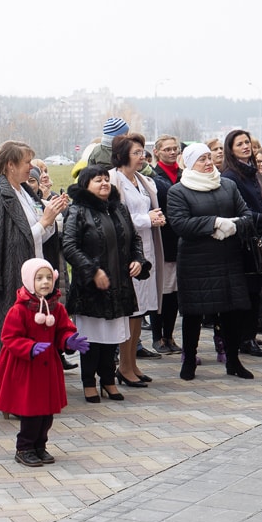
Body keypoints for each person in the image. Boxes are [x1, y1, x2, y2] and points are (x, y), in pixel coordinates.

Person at [166, 143, 255, 381]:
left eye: (209, 157)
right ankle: (189, 362)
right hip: (196, 261)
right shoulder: (179, 191)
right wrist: (215, 223)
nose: (208, 163)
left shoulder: (227, 185)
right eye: (201, 159)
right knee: (193, 314)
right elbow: (180, 224)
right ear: (190, 163)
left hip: (228, 258)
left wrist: (231, 227)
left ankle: (234, 361)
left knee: (231, 312)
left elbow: (247, 216)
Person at [0, 142, 66, 383]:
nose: (31, 167)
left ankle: (31, 389)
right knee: (18, 340)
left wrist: (51, 219)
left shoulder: (26, 192)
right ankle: (15, 394)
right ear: (10, 165)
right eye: (27, 162)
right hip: (12, 275)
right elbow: (0, 242)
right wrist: (44, 221)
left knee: (34, 335)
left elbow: (37, 234)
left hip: (34, 274)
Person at [0, 258, 88, 465]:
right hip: (26, 369)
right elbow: (9, 338)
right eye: (39, 278)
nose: (45, 282)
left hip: (48, 368)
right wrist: (30, 347)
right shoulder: (19, 310)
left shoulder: (57, 309)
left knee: (47, 412)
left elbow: (63, 330)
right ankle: (24, 447)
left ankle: (40, 445)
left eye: (48, 278)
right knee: (31, 412)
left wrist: (69, 340)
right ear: (28, 280)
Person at [63, 166, 148, 401]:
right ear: (85, 185)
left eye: (106, 179)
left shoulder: (118, 208)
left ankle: (108, 380)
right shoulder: (78, 210)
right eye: (97, 180)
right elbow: (69, 246)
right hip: (91, 289)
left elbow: (134, 239)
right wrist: (92, 271)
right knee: (92, 338)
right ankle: (89, 382)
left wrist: (138, 260)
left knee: (112, 337)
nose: (104, 184)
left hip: (118, 285)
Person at [110, 135, 168, 384]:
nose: (142, 156)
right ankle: (123, 365)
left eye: (143, 152)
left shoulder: (142, 180)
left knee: (141, 309)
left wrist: (154, 218)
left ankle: (132, 363)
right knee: (130, 310)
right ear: (123, 155)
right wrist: (148, 219)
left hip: (146, 248)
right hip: (127, 253)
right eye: (136, 152)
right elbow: (115, 219)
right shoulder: (114, 180)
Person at [221, 129, 262, 358]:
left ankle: (249, 333)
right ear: (230, 150)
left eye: (247, 143)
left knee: (257, 290)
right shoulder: (231, 176)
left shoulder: (249, 172)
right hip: (242, 240)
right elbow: (240, 211)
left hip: (255, 236)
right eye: (239, 144)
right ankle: (245, 337)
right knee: (249, 291)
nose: (245, 147)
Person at [149, 135, 183, 354]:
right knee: (161, 290)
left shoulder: (184, 175)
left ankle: (170, 335)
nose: (172, 152)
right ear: (157, 152)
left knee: (175, 292)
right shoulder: (152, 176)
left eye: (175, 149)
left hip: (181, 240)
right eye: (167, 149)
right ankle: (157, 336)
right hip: (162, 238)